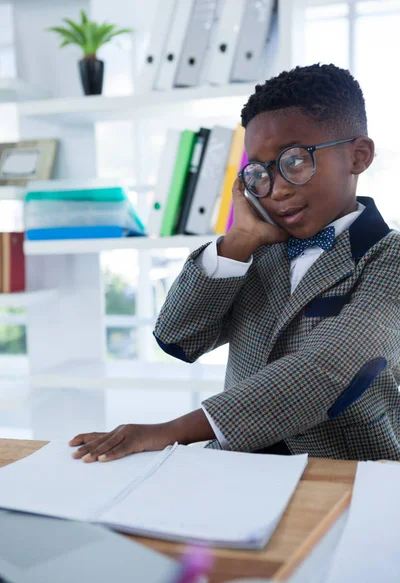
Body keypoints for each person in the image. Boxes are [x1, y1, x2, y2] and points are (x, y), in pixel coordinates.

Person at [69, 63, 400, 463]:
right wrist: (237, 243)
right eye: (260, 171)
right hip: (239, 467)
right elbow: (178, 337)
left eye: (294, 160)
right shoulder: (260, 251)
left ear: (358, 156)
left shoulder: (389, 257)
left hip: (347, 476)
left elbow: (326, 369)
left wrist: (174, 432)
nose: (275, 190)